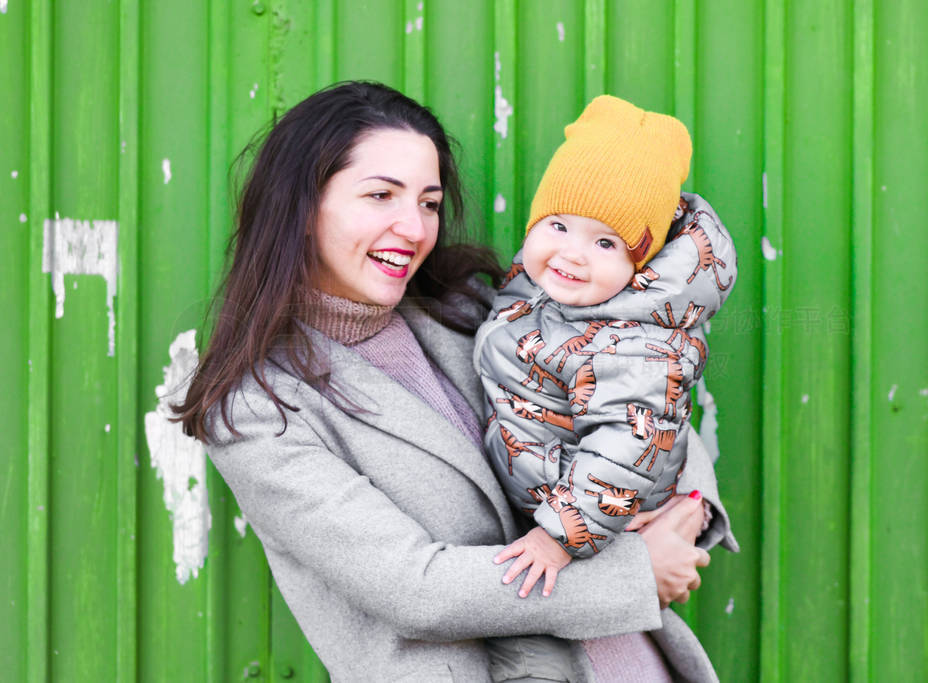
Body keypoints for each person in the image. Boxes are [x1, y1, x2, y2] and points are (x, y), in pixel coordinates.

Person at [175, 81, 727, 682]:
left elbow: (642, 393)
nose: (412, 228)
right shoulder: (258, 409)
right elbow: (415, 587)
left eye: (429, 203)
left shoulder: (475, 310)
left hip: (633, 663)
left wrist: (688, 508)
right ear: (301, 208)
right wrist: (638, 572)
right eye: (381, 195)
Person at [473, 95, 739, 679]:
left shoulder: (634, 344)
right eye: (558, 225)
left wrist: (557, 539)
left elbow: (626, 449)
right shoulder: (548, 291)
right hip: (560, 503)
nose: (571, 253)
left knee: (539, 657)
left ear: (639, 265)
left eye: (605, 243)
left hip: (594, 520)